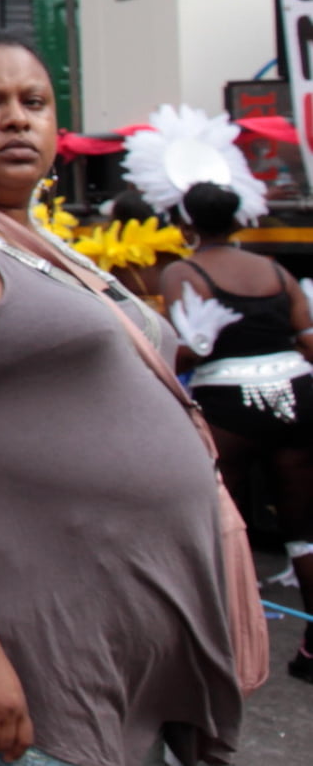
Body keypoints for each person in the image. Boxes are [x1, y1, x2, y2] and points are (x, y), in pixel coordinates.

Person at [0, 30, 245, 766]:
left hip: (121, 653)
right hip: (27, 655)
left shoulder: (37, 241)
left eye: (34, 101)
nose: (16, 119)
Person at [161, 178, 313, 683]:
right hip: (297, 392)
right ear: (237, 221)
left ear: (186, 225)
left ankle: (228, 649)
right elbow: (306, 336)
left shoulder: (185, 271)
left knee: (228, 521)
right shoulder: (274, 270)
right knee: (303, 527)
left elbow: (190, 347)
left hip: (228, 401)